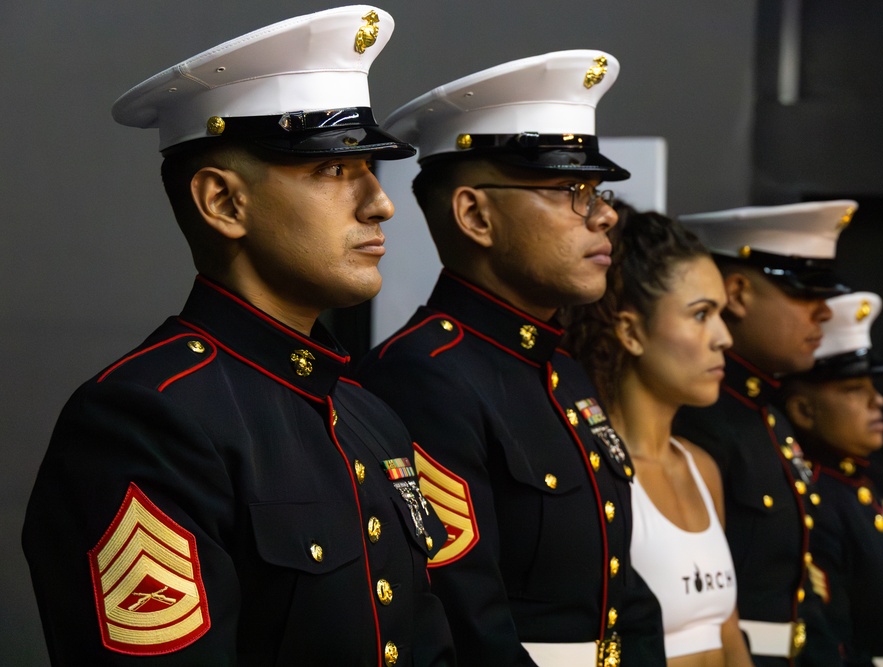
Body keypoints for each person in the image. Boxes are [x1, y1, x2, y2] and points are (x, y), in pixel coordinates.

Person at [22, 7, 455, 665]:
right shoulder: (145, 423)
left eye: (370, 167)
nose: (380, 202)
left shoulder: (370, 417)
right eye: (334, 170)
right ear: (222, 202)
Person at [354, 52, 665, 666]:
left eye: (596, 190)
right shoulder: (422, 376)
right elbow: (465, 621)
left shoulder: (561, 368)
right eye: (570, 190)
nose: (604, 213)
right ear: (475, 214)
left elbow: (624, 593)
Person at [563, 203, 754, 667]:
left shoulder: (701, 467)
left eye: (722, 314)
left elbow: (729, 634)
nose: (724, 337)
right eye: (701, 314)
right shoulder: (593, 475)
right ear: (630, 332)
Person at [671, 200, 859, 666]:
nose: (824, 314)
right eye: (804, 293)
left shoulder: (769, 419)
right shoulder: (699, 420)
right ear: (737, 293)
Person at [780, 292, 883, 667]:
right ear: (803, 410)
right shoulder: (815, 499)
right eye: (854, 390)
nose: (877, 401)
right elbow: (830, 638)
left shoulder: (860, 488)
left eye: (873, 386)